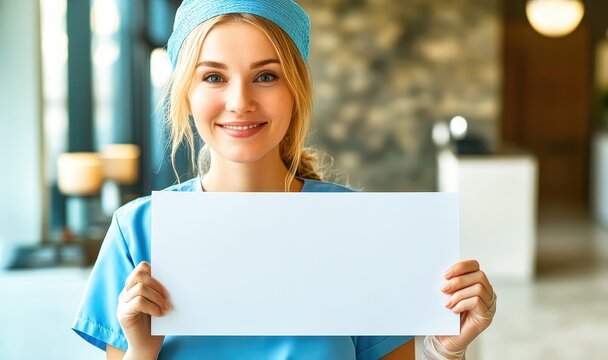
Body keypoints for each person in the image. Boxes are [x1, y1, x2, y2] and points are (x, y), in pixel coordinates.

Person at [71, 1, 497, 359]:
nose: (240, 102)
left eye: (266, 76)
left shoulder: (362, 228)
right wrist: (141, 351)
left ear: (296, 91)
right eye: (213, 77)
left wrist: (445, 350)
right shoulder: (137, 233)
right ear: (186, 94)